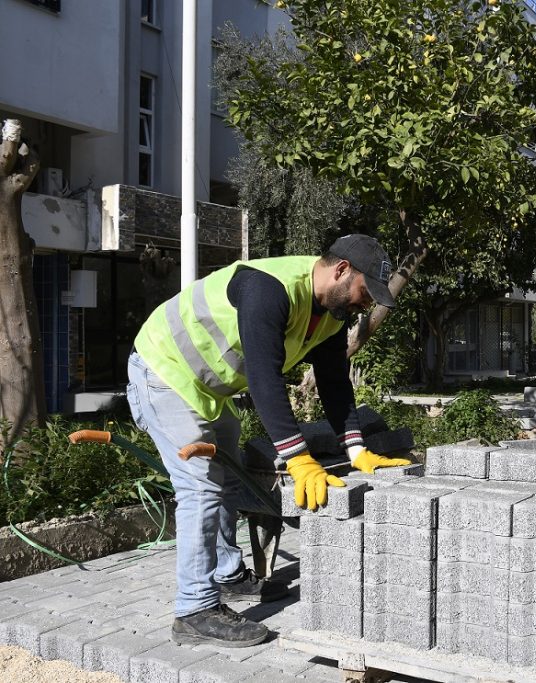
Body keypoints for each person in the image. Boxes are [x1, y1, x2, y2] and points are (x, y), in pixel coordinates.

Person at [127, 234, 411, 648]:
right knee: (201, 488)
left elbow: (334, 382)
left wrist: (357, 449)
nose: (365, 305)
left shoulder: (331, 315)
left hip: (207, 388)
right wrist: (299, 459)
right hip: (164, 371)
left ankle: (227, 576)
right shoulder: (268, 288)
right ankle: (193, 610)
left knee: (228, 479)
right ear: (341, 270)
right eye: (365, 293)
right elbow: (264, 379)